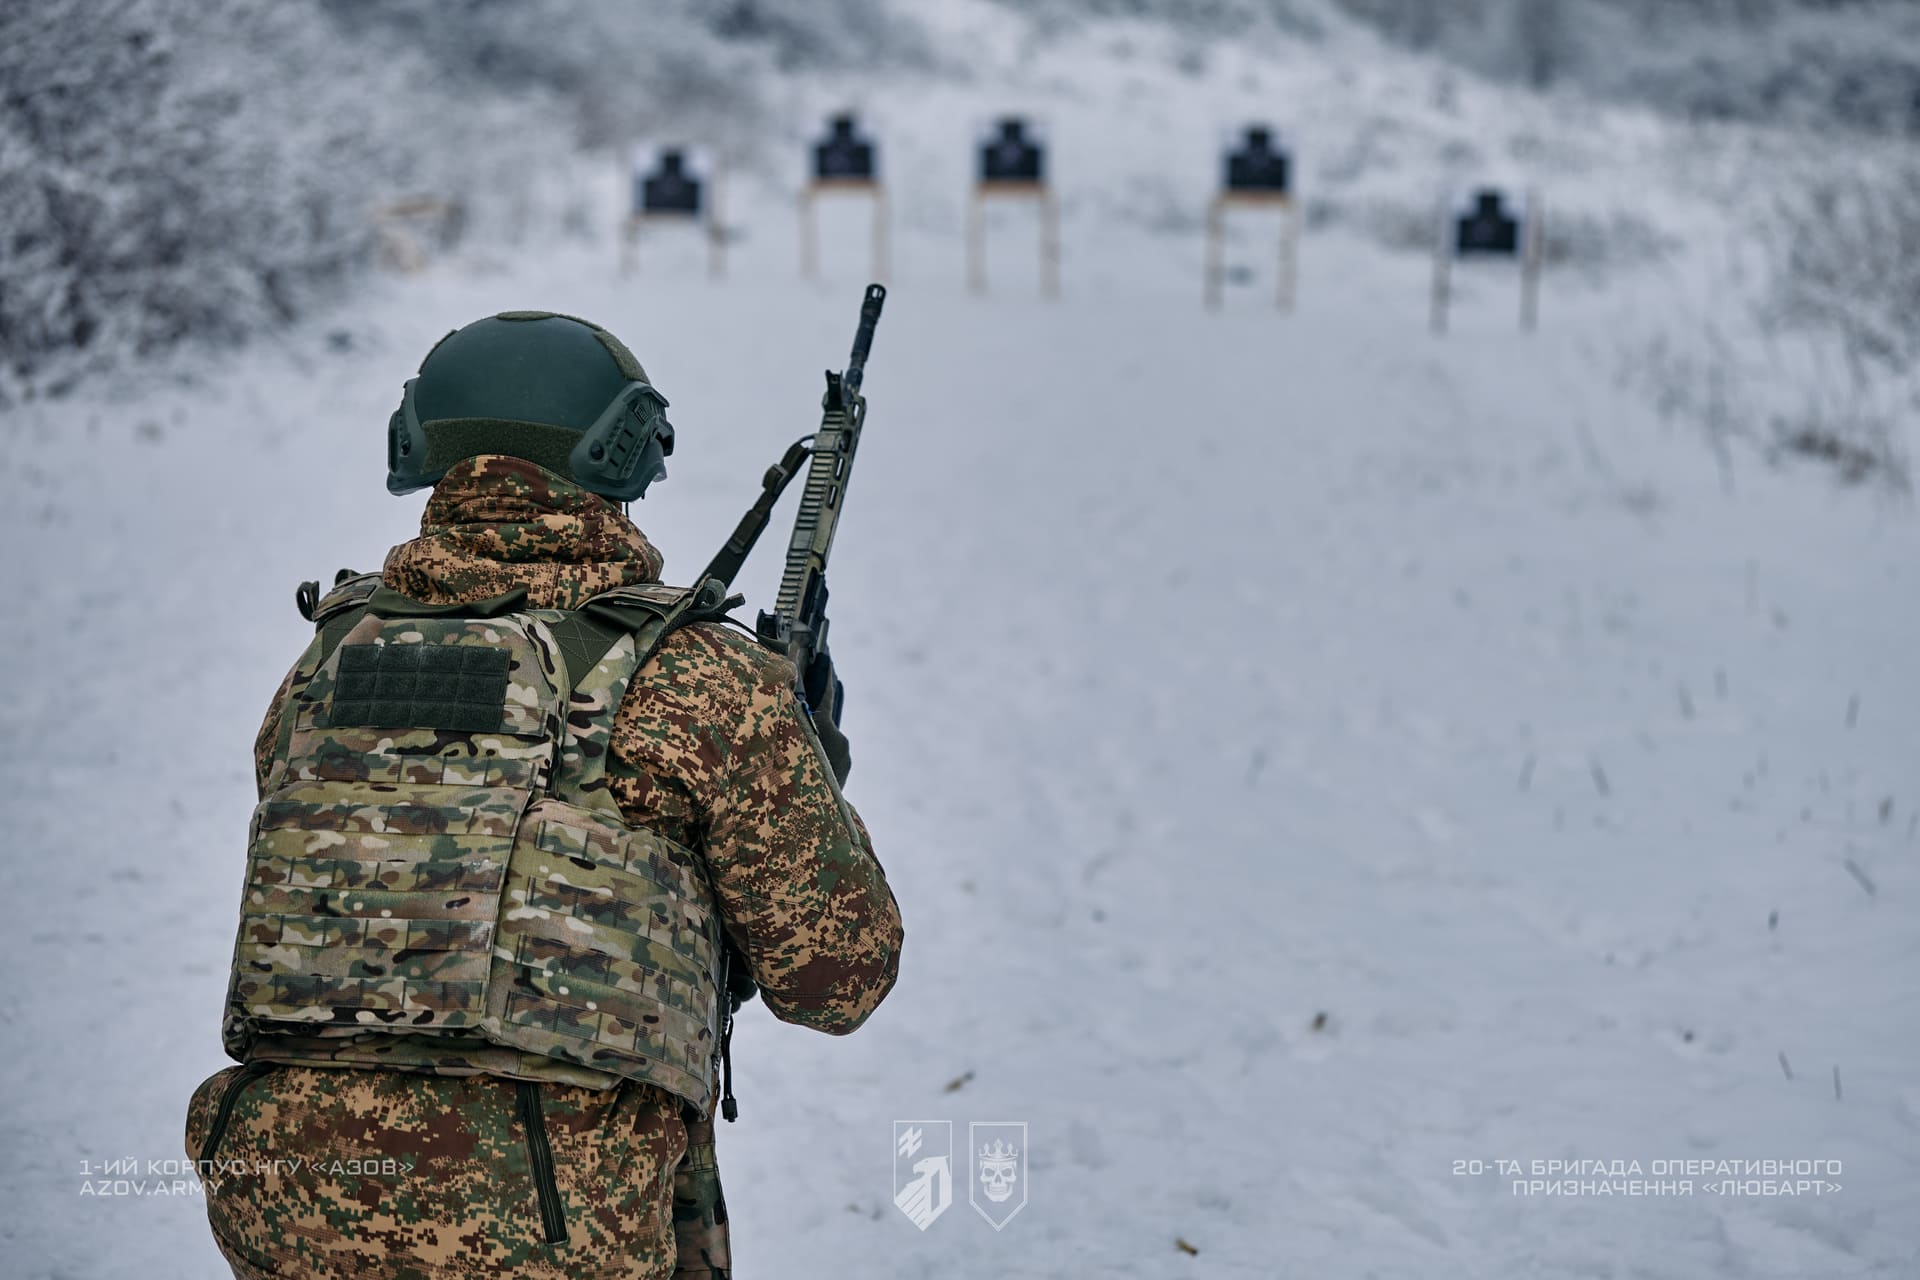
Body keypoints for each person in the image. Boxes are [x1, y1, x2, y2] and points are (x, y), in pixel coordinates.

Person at [185, 310, 904, 1280]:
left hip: (280, 1187)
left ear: (422, 444)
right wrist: (809, 767)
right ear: (623, 449)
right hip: (550, 1199)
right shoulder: (701, 682)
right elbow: (837, 980)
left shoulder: (328, 660)